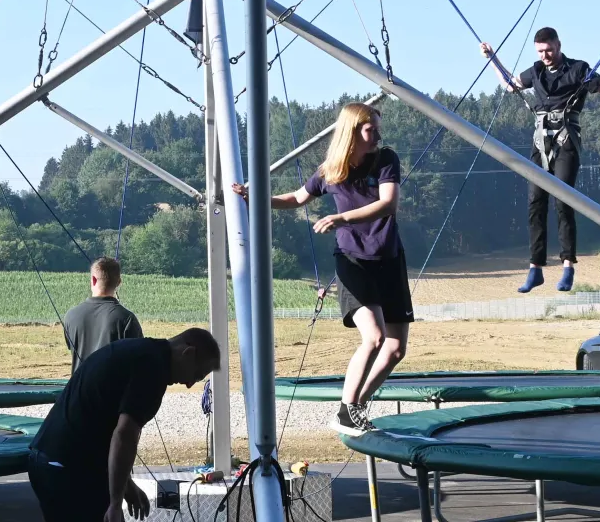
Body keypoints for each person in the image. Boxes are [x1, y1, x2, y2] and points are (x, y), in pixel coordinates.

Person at [236, 102, 408, 437]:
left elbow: (388, 203)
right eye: (372, 130)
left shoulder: (386, 159)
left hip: (389, 260)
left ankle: (354, 406)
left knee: (396, 348)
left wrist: (340, 218)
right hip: (353, 261)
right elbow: (296, 199)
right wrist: (253, 196)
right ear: (353, 131)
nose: (378, 136)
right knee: (373, 338)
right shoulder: (329, 171)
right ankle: (347, 412)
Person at [28, 327, 223, 522]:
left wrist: (125, 485)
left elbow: (103, 423)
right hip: (66, 466)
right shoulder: (153, 370)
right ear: (188, 353)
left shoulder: (142, 352)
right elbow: (124, 435)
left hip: (50, 458)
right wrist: (115, 503)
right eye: (196, 375)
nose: (189, 384)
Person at [481, 28, 600, 293]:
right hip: (541, 141)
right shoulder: (536, 71)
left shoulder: (578, 69)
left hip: (567, 140)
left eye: (549, 50)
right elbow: (511, 85)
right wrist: (492, 58)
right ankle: (536, 268)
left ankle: (568, 266)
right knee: (535, 202)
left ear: (558, 45)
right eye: (541, 52)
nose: (546, 56)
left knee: (563, 201)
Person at [64, 257, 144, 372]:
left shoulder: (70, 315)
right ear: (119, 282)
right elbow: (138, 360)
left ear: (93, 279)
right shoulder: (126, 319)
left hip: (79, 389)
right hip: (113, 389)